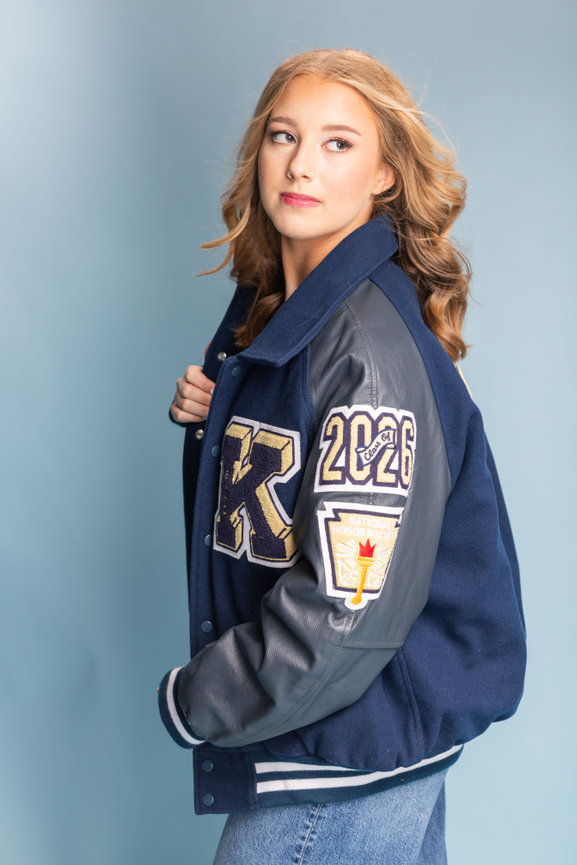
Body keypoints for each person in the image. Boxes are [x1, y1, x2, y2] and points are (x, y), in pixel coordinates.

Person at [157, 48, 526, 864]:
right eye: (283, 136)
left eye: (336, 144)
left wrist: (196, 700)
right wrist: (233, 415)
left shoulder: (365, 345)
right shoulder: (283, 310)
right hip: (351, 733)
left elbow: (348, 607)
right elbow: (318, 470)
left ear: (385, 175)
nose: (298, 164)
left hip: (346, 747)